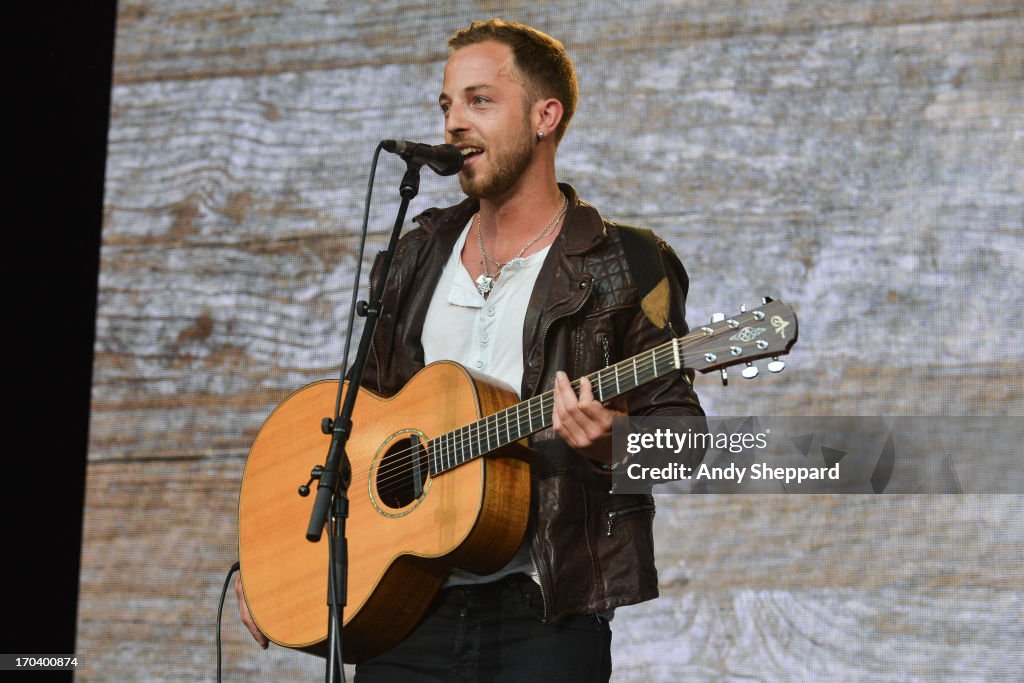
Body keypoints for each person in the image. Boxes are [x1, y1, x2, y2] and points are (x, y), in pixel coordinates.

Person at [237, 18, 704, 681]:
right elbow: (342, 428)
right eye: (447, 104)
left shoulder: (631, 262)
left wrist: (612, 441)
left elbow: (685, 441)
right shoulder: (415, 254)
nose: (454, 122)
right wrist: (275, 561)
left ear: (546, 116)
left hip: (545, 620)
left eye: (479, 100)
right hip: (403, 612)